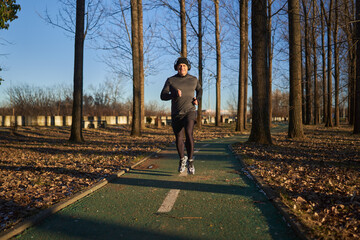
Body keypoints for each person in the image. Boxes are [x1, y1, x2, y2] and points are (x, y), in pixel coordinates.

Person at [160, 57, 202, 174]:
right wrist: (173, 94)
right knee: (178, 137)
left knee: (189, 133)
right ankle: (181, 159)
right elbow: (163, 95)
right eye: (180, 65)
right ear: (176, 67)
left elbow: (200, 90)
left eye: (184, 65)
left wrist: (197, 99)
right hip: (176, 114)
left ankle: (191, 160)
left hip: (190, 111)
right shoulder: (171, 80)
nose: (182, 67)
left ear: (187, 67)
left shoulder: (193, 79)